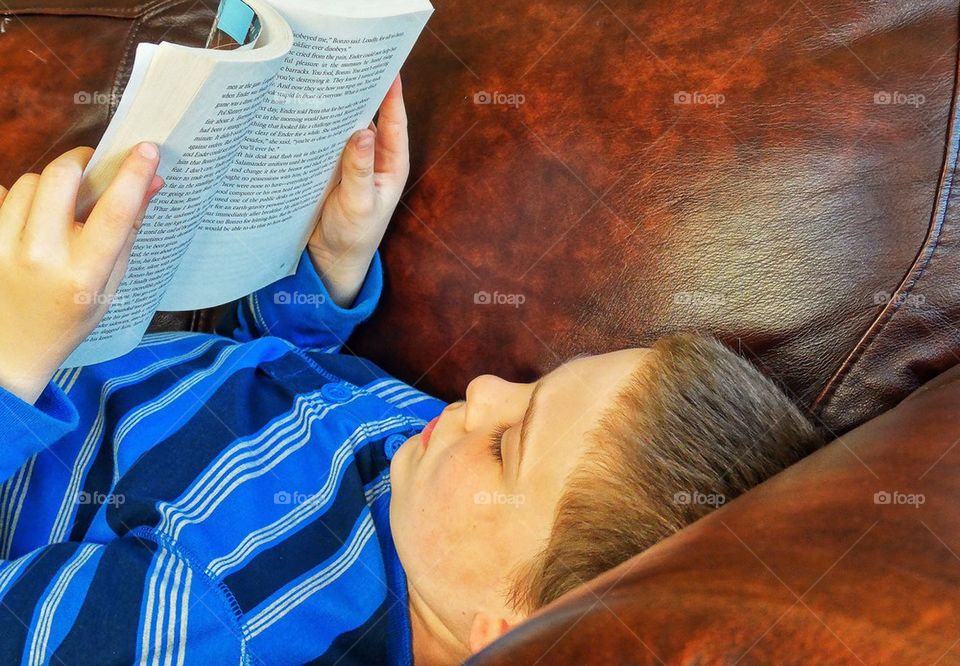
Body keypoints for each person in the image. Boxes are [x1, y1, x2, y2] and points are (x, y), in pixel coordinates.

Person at [0, 75, 823, 665]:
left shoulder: (215, 630)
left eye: (509, 443)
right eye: (537, 385)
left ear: (508, 632)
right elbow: (271, 396)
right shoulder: (430, 471)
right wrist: (325, 275)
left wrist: (16, 354)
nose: (484, 391)